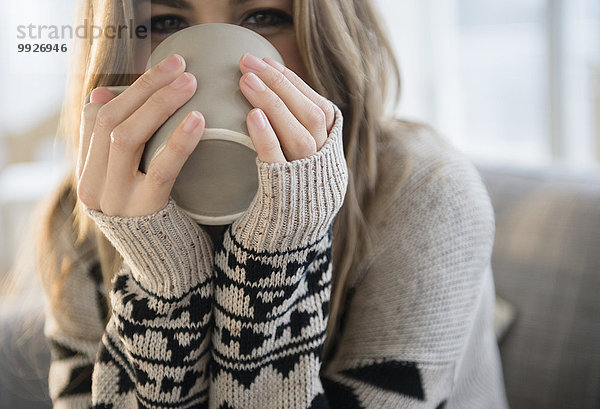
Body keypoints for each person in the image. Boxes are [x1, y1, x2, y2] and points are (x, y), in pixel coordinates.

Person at [36, 0, 509, 407]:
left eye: (263, 15)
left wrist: (277, 256)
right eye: (166, 23)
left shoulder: (426, 194)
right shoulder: (80, 217)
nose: (218, 60)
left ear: (327, 37)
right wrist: (163, 274)